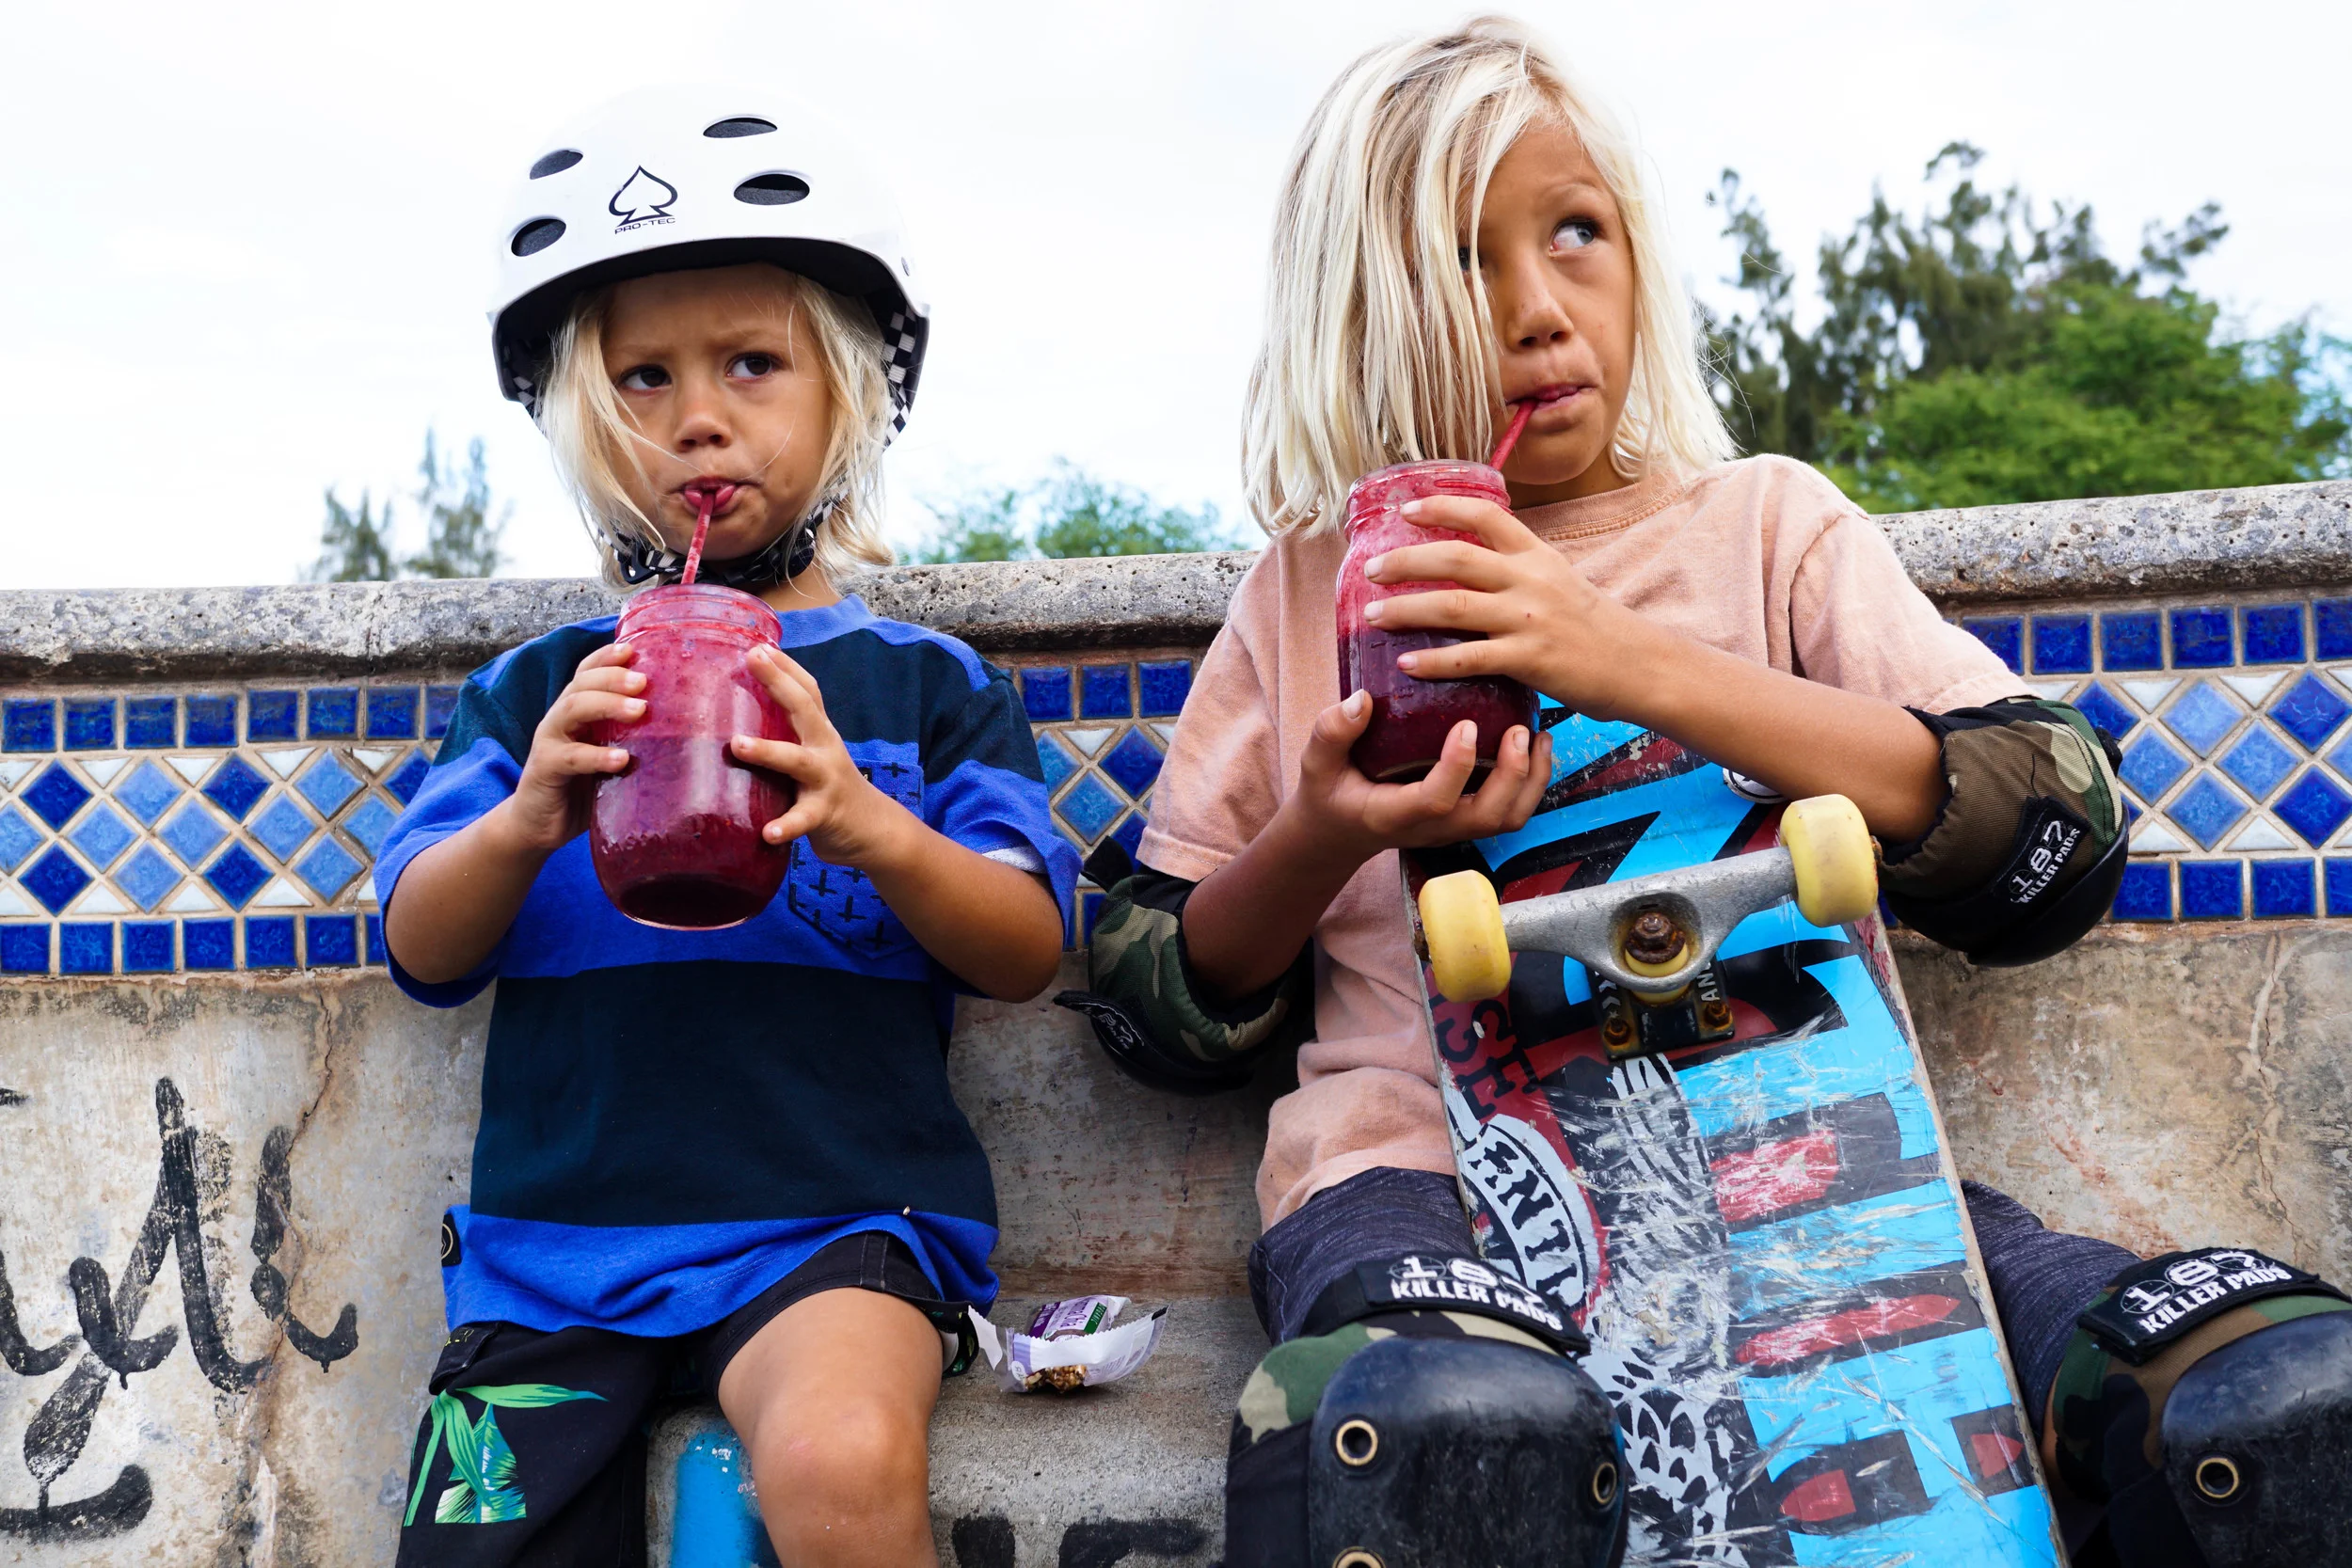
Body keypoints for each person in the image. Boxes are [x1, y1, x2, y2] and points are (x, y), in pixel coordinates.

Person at [1065, 21, 2352, 1568]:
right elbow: (1146, 992)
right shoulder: (1306, 593)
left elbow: (2057, 822)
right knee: (1431, 1436)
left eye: (1577, 232)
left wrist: (1624, 660)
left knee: (2268, 1403)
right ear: (1361, 307)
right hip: (1421, 1192)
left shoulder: (1767, 528)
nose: (1539, 308)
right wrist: (1325, 829)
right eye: (1462, 260)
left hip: (1829, 1173)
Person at [376, 87, 1074, 1568]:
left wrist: (873, 826)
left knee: (836, 1459)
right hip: (553, 1266)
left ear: (850, 394)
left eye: (752, 362)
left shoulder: (924, 690)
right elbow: (422, 947)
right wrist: (527, 819)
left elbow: (1025, 946)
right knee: (460, 1544)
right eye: (642, 377)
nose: (698, 414)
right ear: (586, 420)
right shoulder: (537, 695)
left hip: (835, 1232)